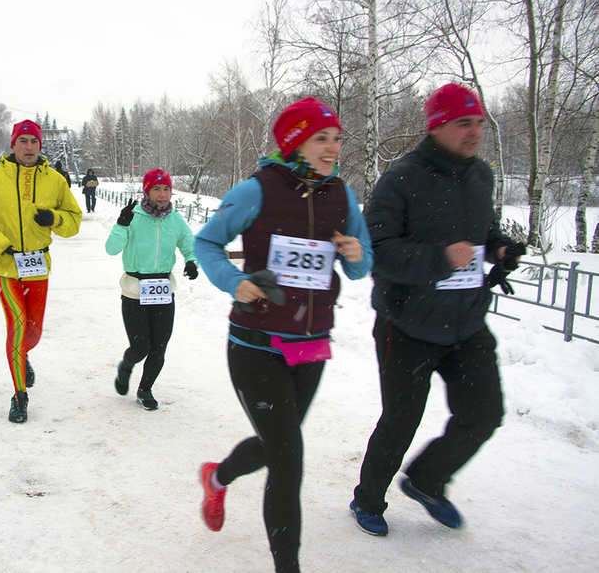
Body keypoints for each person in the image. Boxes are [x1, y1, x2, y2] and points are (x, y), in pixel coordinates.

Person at [194, 98, 373, 573]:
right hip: (255, 345)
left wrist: (356, 254)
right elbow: (206, 241)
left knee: (277, 446)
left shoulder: (343, 196)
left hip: (311, 345)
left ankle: (217, 477)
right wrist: (235, 282)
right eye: (321, 138)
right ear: (295, 142)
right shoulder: (257, 189)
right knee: (289, 458)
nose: (333, 148)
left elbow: (362, 265)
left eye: (337, 139)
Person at [349, 83, 525, 537]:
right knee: (401, 421)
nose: (475, 133)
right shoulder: (402, 178)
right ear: (437, 126)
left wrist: (499, 248)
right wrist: (441, 258)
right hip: (406, 323)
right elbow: (376, 251)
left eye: (479, 123)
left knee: (484, 414)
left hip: (466, 322)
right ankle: (367, 500)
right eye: (464, 124)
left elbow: (483, 230)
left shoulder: (481, 175)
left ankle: (427, 480)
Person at [0, 119, 82, 423]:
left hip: (38, 266)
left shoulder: (55, 181)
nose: (29, 147)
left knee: (33, 332)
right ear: (13, 145)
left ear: (40, 145)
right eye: (23, 141)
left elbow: (73, 221)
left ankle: (22, 354)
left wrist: (53, 218)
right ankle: (19, 395)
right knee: (16, 325)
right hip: (6, 266)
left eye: (34, 141)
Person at [105, 168, 199, 411]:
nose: (162, 194)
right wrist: (121, 225)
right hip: (135, 289)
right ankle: (126, 366)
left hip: (163, 289)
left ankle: (145, 389)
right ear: (147, 191)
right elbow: (111, 249)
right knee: (140, 347)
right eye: (156, 189)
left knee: (159, 347)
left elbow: (188, 243)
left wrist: (191, 261)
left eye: (167, 188)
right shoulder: (133, 216)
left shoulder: (175, 219)